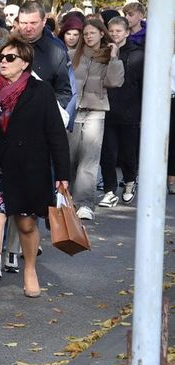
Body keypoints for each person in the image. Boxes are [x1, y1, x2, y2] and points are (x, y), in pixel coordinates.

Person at [0, 35, 70, 303]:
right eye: (1, 57)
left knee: (26, 224)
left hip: (29, 169)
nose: (4, 62)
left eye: (10, 58)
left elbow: (56, 134)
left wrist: (63, 174)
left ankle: (30, 270)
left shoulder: (40, 91)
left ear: (25, 63)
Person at [69, 18, 123, 220]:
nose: (88, 36)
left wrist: (114, 57)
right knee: (70, 158)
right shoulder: (73, 55)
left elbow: (115, 82)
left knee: (89, 159)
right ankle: (68, 200)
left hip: (96, 110)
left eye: (92, 33)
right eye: (85, 34)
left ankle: (84, 203)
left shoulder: (108, 56)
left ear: (101, 33)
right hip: (74, 110)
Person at [99, 15, 144, 208]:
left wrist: (142, 112)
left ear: (127, 32)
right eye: (112, 31)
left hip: (130, 111)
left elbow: (142, 85)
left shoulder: (138, 54)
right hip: (107, 109)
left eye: (119, 31)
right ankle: (109, 190)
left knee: (128, 151)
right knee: (108, 153)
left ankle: (130, 181)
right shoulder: (103, 52)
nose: (115, 34)